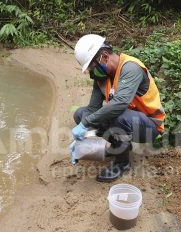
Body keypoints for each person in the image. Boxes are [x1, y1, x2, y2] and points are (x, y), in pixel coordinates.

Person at [71, 34, 166, 182]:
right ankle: (118, 147)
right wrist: (79, 136)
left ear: (104, 56)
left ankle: (122, 164)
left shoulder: (130, 68)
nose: (93, 72)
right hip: (126, 119)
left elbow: (120, 103)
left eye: (93, 67)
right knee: (80, 114)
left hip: (149, 126)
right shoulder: (102, 76)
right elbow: (92, 108)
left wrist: (85, 124)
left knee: (117, 115)